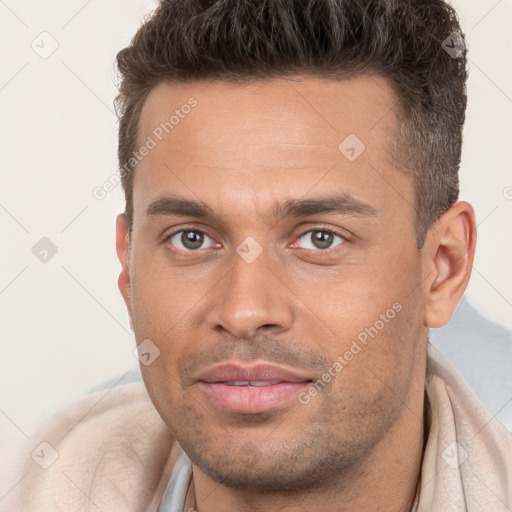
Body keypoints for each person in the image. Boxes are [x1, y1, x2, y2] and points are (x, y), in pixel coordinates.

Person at [2, 0, 511, 510]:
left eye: (320, 239)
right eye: (192, 239)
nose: (244, 312)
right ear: (129, 266)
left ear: (443, 268)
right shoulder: (35, 484)